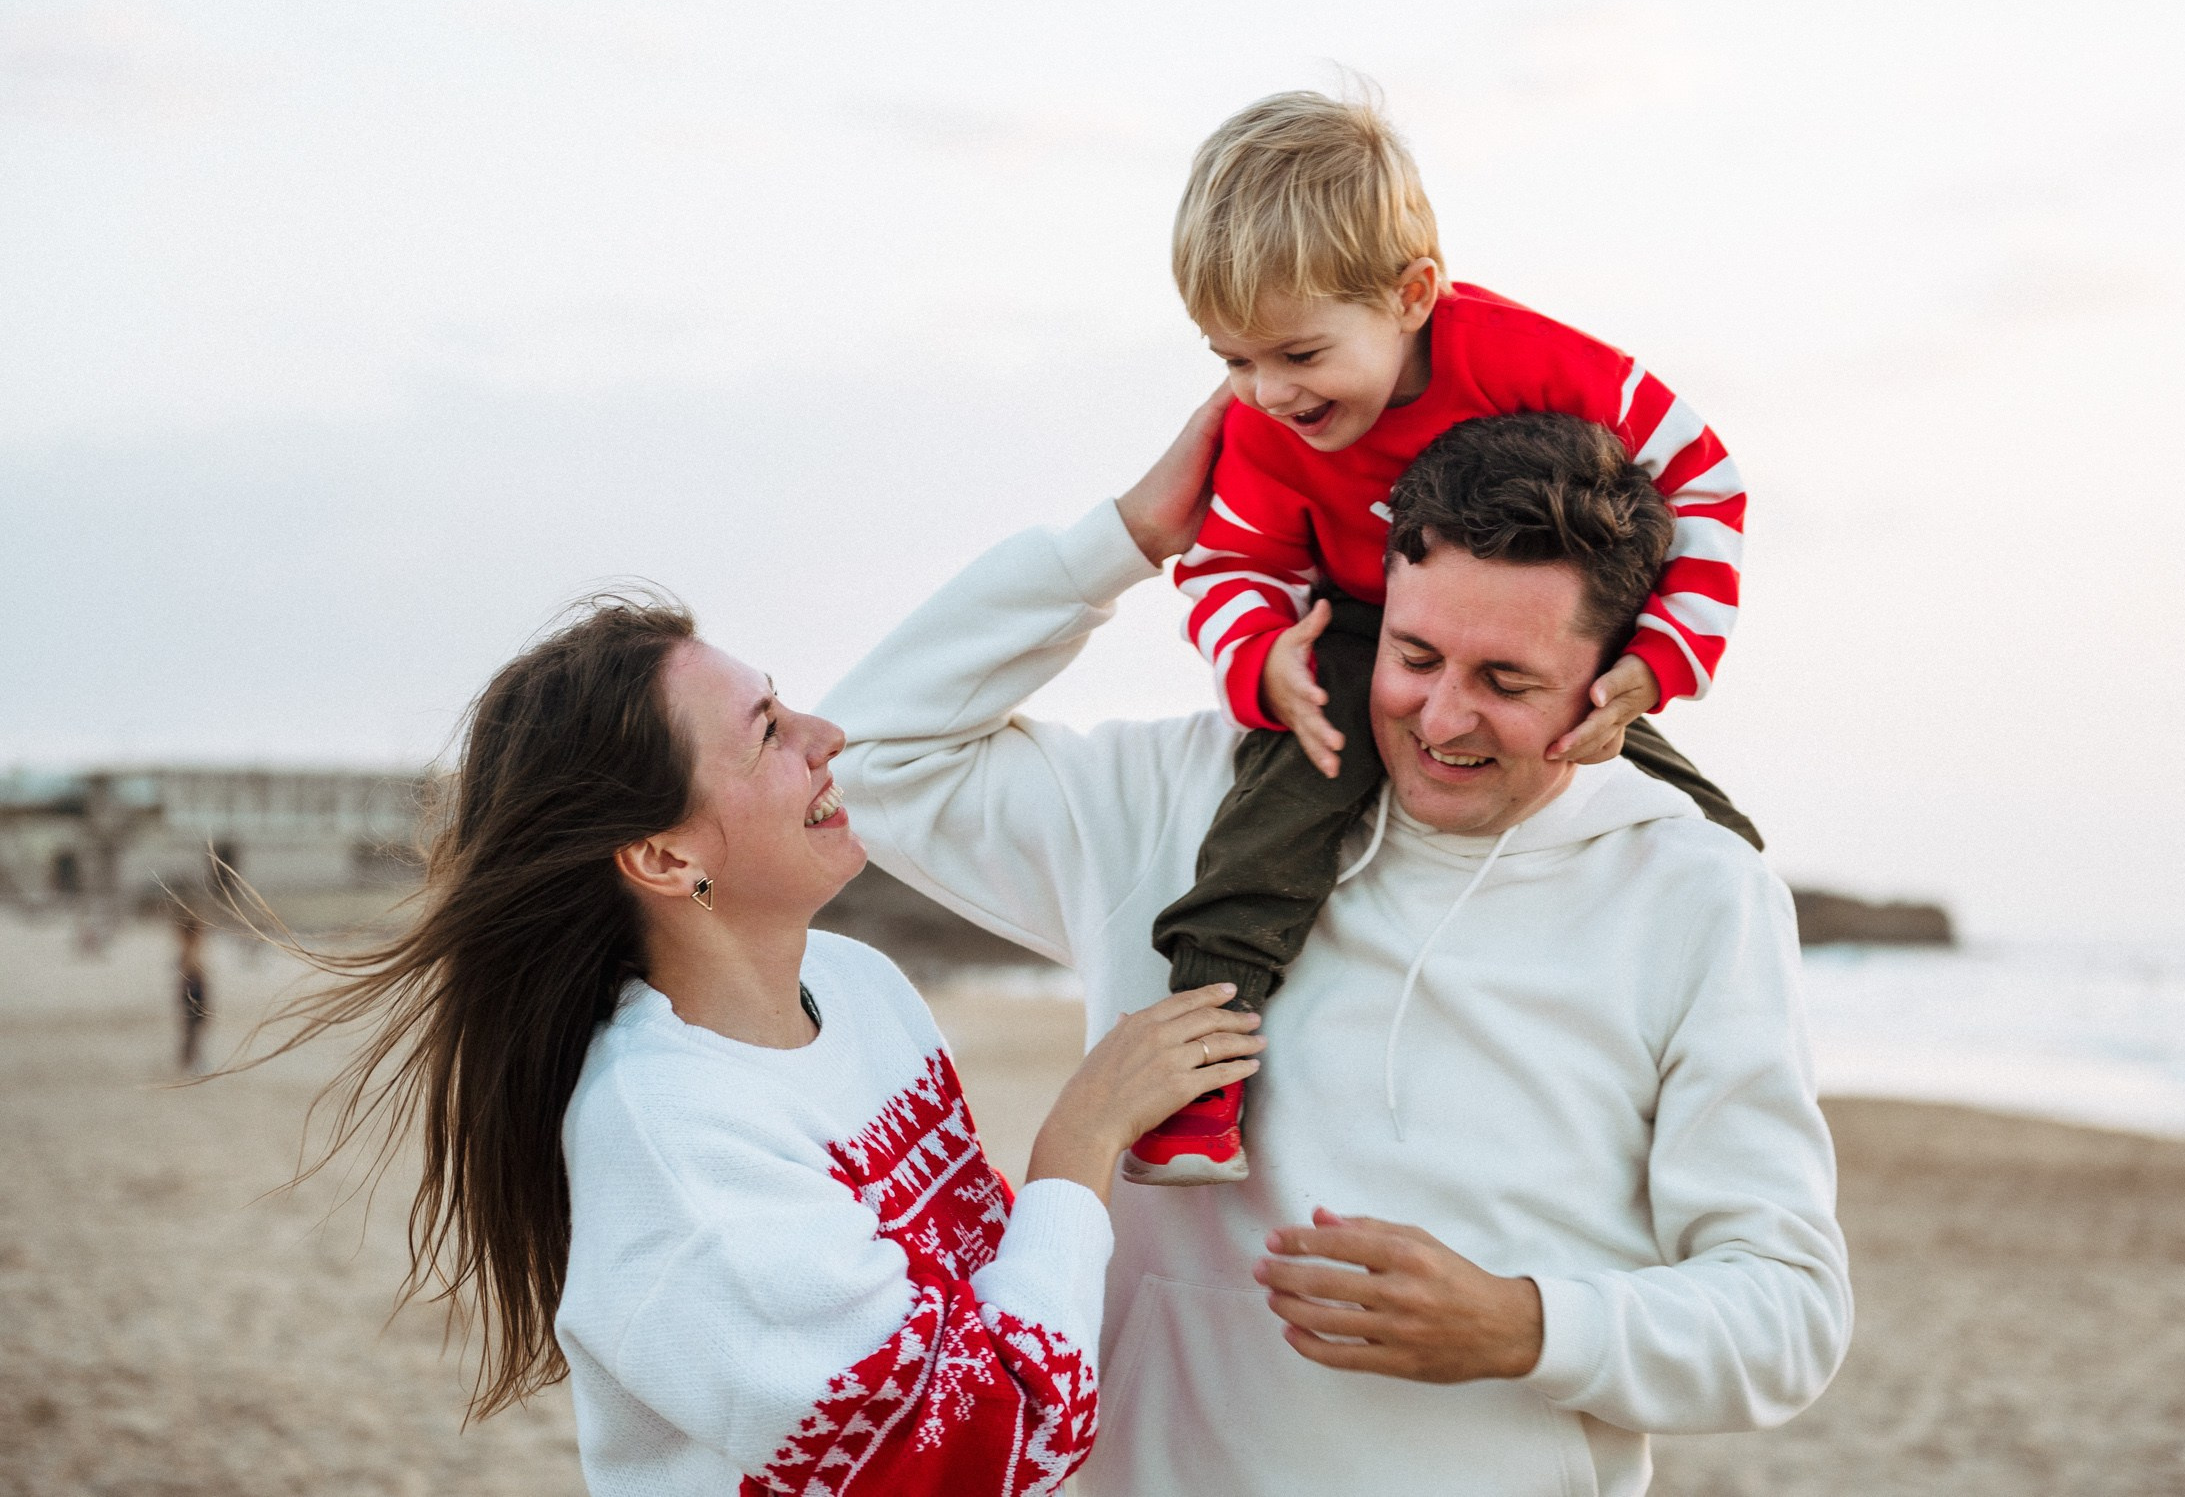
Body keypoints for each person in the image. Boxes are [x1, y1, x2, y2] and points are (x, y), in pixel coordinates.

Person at [823, 404, 1850, 1497]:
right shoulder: (1183, 800)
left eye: (1505, 681)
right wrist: (1124, 537)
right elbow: (870, 757)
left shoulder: (1695, 892)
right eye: (1413, 655)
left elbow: (1786, 1313)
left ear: (1616, 682)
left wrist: (1523, 1324)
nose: (1441, 717)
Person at [248, 595, 1261, 1496]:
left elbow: (975, 1298)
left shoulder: (861, 983)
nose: (828, 736)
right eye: (768, 730)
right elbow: (984, 1455)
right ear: (662, 854)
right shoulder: (672, 1139)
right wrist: (1078, 1142)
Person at [1133, 88, 1759, 1184]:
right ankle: (1200, 1079)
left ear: (1414, 295)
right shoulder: (1266, 429)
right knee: (1278, 811)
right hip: (1349, 628)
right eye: (1231, 360)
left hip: (1524, 640)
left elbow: (1702, 475)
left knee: (1705, 828)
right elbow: (1230, 563)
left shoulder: (1522, 356)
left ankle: (1728, 1026)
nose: (1267, 392)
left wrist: (1653, 661)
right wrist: (1261, 657)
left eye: (1297, 353)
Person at [173, 906, 210, 1074]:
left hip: (191, 988)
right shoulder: (190, 948)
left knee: (192, 1027)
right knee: (193, 1027)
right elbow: (192, 973)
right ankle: (190, 1060)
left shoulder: (189, 947)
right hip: (193, 988)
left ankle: (189, 1059)